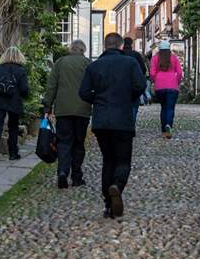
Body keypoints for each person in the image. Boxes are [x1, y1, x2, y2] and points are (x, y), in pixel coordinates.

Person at [78, 32, 146, 218]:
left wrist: (97, 99)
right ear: (121, 46)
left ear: (105, 46)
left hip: (102, 121)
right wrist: (128, 97)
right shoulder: (130, 64)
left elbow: (83, 92)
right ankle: (117, 185)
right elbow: (140, 85)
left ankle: (108, 204)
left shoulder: (94, 66)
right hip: (123, 120)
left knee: (108, 161)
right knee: (123, 161)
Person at [42, 39, 92, 189]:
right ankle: (77, 176)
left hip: (63, 109)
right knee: (78, 143)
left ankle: (62, 172)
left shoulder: (60, 63)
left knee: (63, 142)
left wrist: (47, 106)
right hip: (83, 109)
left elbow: (52, 86)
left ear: (71, 49)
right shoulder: (88, 63)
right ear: (83, 50)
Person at [0, 46, 29, 162]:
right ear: (19, 56)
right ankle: (13, 153)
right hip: (14, 101)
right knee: (13, 127)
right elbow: (24, 89)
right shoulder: (21, 71)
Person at [150, 40, 183, 139]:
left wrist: (155, 81)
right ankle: (169, 125)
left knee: (163, 107)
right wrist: (177, 82)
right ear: (169, 49)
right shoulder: (174, 58)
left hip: (160, 86)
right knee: (170, 108)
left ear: (159, 49)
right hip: (172, 86)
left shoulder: (155, 58)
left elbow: (152, 73)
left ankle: (164, 130)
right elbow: (180, 73)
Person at [122, 36, 149, 118]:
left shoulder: (120, 54)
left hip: (121, 84)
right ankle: (131, 124)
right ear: (131, 44)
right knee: (134, 105)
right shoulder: (136, 55)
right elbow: (143, 69)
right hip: (134, 84)